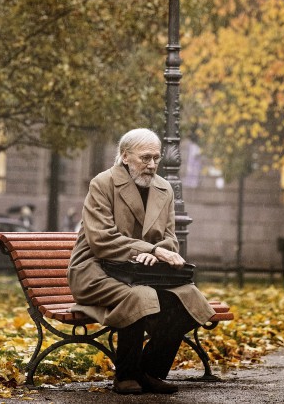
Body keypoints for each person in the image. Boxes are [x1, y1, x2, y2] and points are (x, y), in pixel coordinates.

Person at [68, 128, 215, 395]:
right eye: (145, 158)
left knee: (189, 298)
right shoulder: (102, 184)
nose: (152, 165)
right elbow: (101, 239)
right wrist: (148, 250)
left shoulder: (164, 188)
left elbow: (170, 238)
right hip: (94, 270)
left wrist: (156, 250)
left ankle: (148, 371)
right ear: (125, 156)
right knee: (140, 296)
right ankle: (125, 376)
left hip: (143, 272)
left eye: (156, 158)